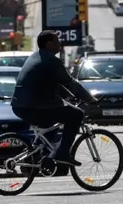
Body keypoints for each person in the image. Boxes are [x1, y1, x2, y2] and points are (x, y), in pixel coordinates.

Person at [11, 31, 97, 167]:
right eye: (57, 41)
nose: (60, 44)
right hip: (34, 106)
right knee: (76, 114)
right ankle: (62, 154)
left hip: (20, 105)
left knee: (50, 127)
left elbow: (54, 84)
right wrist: (90, 98)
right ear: (49, 43)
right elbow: (70, 82)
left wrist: (69, 97)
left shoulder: (36, 57)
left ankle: (37, 158)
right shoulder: (52, 61)